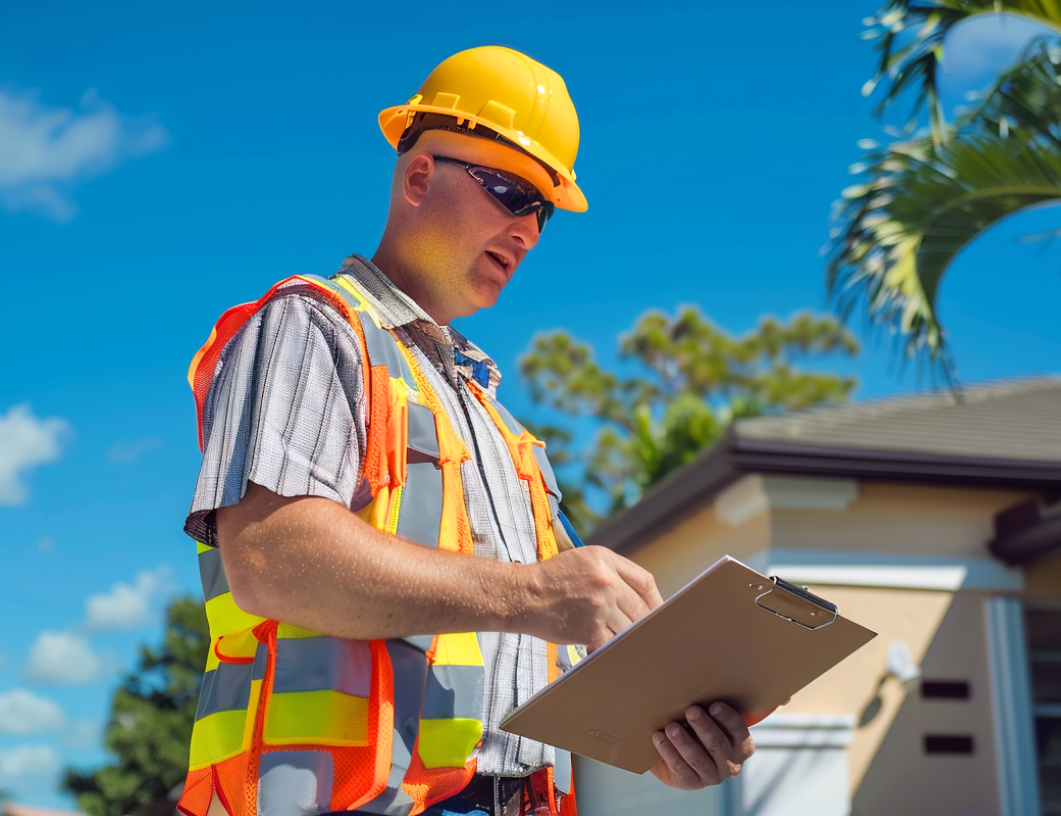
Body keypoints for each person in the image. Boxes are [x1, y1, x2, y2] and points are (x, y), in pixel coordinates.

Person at [177, 46, 765, 816]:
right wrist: (534, 592)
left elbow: (536, 634)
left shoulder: (499, 428)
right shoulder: (314, 325)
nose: (527, 229)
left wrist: (664, 730)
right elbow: (268, 556)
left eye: (543, 211)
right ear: (420, 176)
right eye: (510, 192)